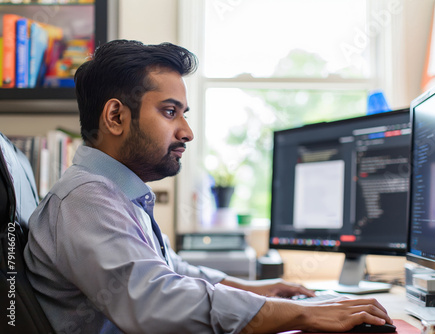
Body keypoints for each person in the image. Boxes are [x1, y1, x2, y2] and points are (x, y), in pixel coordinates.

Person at [24, 40, 393, 334]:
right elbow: (154, 301)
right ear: (116, 117)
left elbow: (170, 270)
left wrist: (254, 290)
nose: (187, 131)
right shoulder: (85, 200)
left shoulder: (117, 193)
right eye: (170, 112)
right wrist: (300, 314)